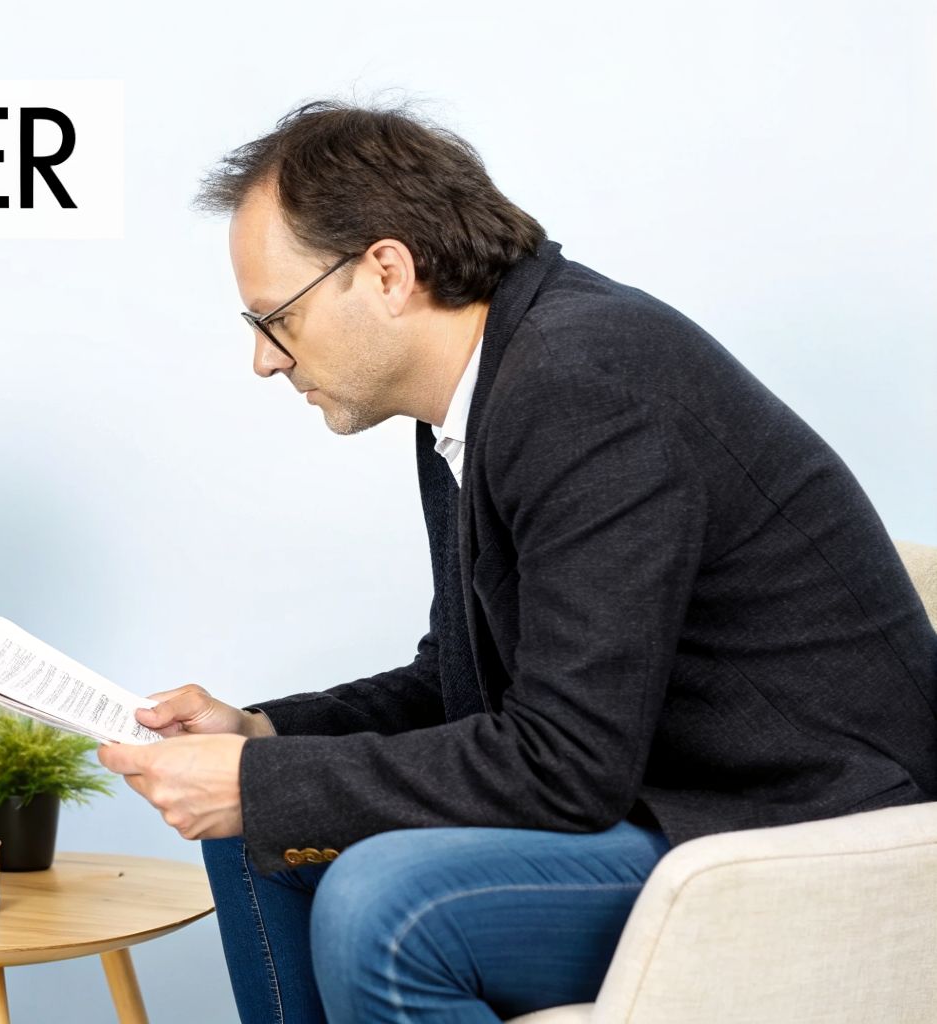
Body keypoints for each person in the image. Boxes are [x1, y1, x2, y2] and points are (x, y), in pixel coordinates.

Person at [95, 102, 937, 1023]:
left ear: (386, 271)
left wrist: (263, 780)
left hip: (809, 826)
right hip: (675, 796)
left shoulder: (585, 380)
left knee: (388, 903)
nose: (262, 360)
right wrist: (261, 738)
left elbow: (567, 762)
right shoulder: (475, 395)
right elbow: (460, 675)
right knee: (262, 830)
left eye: (277, 317)